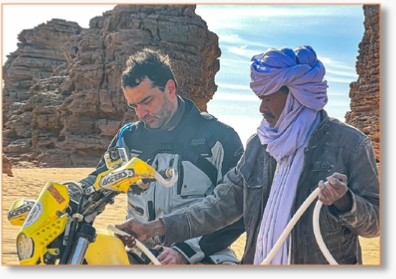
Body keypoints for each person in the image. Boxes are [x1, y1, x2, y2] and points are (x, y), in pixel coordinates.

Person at [115, 45, 380, 265]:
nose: (262, 108)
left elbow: (377, 222)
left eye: (268, 98)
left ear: (296, 96)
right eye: (259, 98)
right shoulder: (260, 146)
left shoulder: (350, 144)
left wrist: (345, 202)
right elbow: (218, 206)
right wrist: (153, 228)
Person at [79, 48, 245, 265]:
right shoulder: (128, 139)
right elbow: (100, 180)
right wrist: (69, 194)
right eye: (134, 106)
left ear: (170, 88)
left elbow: (239, 209)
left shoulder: (220, 137)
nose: (141, 113)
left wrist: (184, 252)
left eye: (147, 101)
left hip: (204, 254)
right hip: (138, 252)